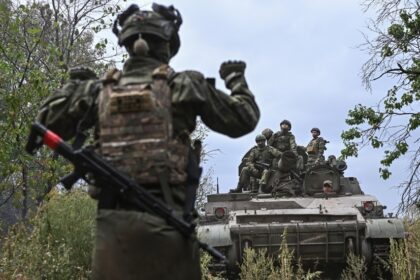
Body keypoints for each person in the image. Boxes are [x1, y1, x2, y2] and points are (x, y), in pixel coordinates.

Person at [36, 3, 259, 280]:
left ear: (127, 43)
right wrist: (236, 79)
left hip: (112, 235)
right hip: (170, 230)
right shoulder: (185, 85)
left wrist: (74, 86)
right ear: (168, 42)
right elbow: (243, 119)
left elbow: (45, 120)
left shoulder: (97, 92)